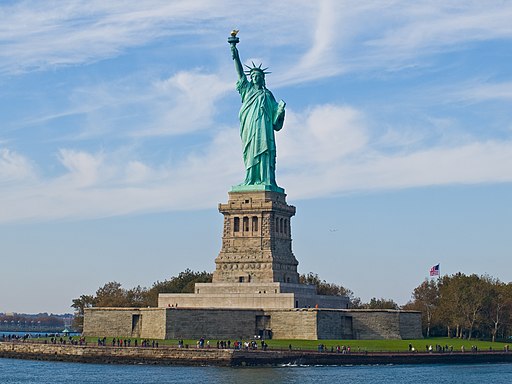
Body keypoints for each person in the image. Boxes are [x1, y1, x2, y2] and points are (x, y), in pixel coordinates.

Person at [230, 40, 286, 189]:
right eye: (253, 76)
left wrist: (280, 111)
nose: (255, 78)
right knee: (250, 152)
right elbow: (240, 73)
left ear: (263, 78)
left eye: (258, 76)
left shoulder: (268, 95)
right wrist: (235, 54)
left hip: (264, 129)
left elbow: (275, 121)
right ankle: (250, 179)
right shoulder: (247, 90)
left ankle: (266, 179)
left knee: (265, 151)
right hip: (250, 127)